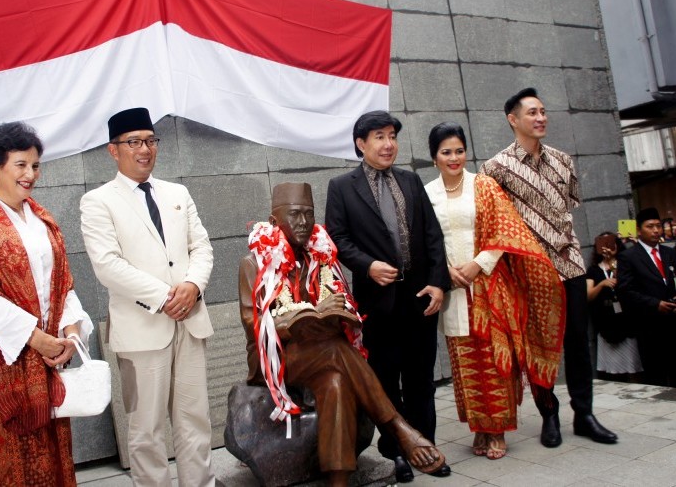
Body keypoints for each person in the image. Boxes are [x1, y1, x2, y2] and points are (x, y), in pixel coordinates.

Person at [239, 182, 446, 485]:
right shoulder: (254, 263)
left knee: (335, 382)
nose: (303, 223)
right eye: (294, 215)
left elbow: (346, 310)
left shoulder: (320, 259)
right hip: (277, 358)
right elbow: (252, 321)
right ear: (273, 222)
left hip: (324, 356)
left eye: (309, 215)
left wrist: (338, 314)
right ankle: (399, 427)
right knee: (334, 350)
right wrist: (295, 319)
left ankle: (338, 481)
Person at [0, 122, 94, 486]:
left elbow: (62, 284)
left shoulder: (42, 217)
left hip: (46, 352)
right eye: (20, 165)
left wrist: (71, 333)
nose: (30, 174)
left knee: (51, 446)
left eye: (35, 165)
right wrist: (35, 337)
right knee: (4, 453)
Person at [80, 107, 216, 486]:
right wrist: (164, 297)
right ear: (113, 150)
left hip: (189, 323)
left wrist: (192, 287)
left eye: (151, 140)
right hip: (142, 330)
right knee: (147, 431)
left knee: (195, 423)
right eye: (134, 142)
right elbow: (107, 265)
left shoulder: (178, 192)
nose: (145, 149)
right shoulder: (98, 201)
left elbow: (201, 247)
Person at [480, 87, 617, 447]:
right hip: (530, 269)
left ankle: (584, 414)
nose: (541, 118)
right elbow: (495, 222)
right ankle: (549, 415)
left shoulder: (562, 159)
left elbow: (569, 207)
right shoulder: (495, 168)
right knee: (539, 345)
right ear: (513, 120)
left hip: (570, 264)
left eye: (543, 111)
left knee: (577, 341)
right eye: (532, 113)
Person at [424, 122, 565, 460]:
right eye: (446, 152)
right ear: (434, 158)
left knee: (494, 360)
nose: (454, 157)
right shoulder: (427, 193)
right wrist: (443, 270)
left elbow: (507, 231)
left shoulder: (484, 185)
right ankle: (480, 427)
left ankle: (498, 429)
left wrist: (479, 264)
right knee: (465, 360)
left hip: (489, 284)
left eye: (459, 150)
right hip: (453, 289)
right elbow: (425, 239)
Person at [325, 110, 452, 482]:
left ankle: (426, 446)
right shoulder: (342, 187)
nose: (388, 143)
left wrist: (438, 282)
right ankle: (395, 450)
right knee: (384, 379)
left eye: (392, 135)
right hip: (377, 305)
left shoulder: (411, 182)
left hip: (419, 299)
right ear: (361, 144)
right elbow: (338, 239)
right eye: (379, 136)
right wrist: (368, 266)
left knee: (421, 379)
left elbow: (433, 236)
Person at [617, 208, 676, 386]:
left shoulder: (670, 253)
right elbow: (626, 290)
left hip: (673, 320)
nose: (656, 230)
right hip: (649, 323)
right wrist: (654, 303)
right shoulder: (628, 257)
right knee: (655, 372)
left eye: (658, 226)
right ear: (639, 230)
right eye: (650, 226)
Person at [586, 232, 643, 383]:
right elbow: (588, 295)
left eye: (611, 243)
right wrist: (601, 284)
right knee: (612, 370)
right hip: (606, 323)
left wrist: (613, 261)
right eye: (602, 243)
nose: (607, 247)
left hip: (627, 321)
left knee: (633, 365)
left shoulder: (625, 264)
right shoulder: (593, 270)